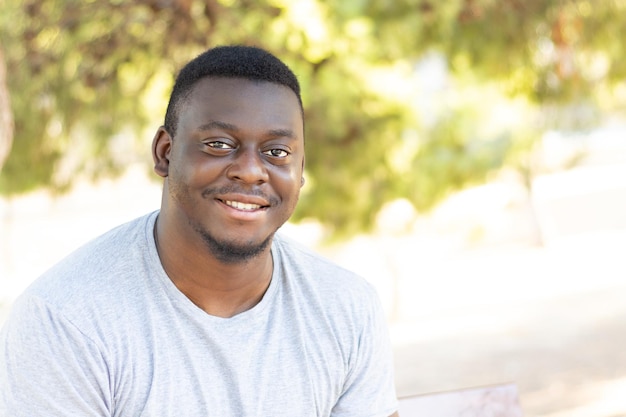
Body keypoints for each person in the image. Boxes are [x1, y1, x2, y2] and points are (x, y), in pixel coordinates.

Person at [0, 45, 399, 416]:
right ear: (164, 153)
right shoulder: (67, 320)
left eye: (277, 152)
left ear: (300, 173)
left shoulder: (346, 308)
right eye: (219, 144)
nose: (250, 170)